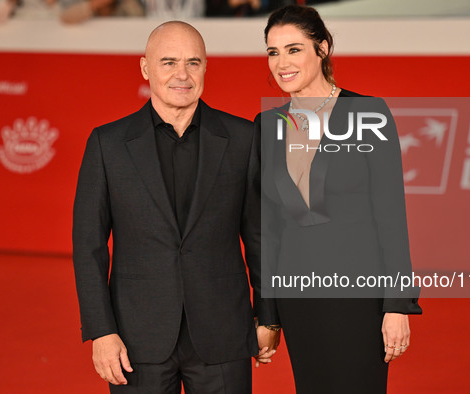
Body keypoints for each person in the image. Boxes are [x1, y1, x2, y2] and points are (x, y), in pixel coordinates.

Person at [72, 21, 280, 393]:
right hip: (137, 339)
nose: (181, 75)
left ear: (205, 68)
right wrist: (101, 330)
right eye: (168, 62)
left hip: (223, 333)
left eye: (193, 63)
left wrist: (269, 316)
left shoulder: (243, 138)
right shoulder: (108, 144)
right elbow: (88, 247)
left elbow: (261, 236)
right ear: (145, 68)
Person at [256, 5, 422, 393]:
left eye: (294, 49)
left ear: (323, 48)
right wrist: (268, 314)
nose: (281, 63)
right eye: (273, 52)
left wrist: (397, 304)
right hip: (298, 301)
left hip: (357, 300)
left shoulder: (368, 113)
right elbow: (269, 228)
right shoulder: (267, 126)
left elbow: (391, 218)